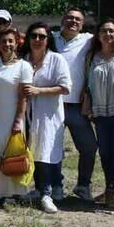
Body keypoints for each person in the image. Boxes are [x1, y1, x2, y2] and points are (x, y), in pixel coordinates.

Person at [21, 22, 71, 214]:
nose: (37, 40)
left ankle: (46, 194)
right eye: (34, 36)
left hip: (49, 115)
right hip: (28, 114)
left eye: (42, 36)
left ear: (48, 40)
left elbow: (66, 87)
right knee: (32, 152)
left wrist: (38, 90)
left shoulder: (57, 60)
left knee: (46, 152)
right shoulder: (24, 60)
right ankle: (36, 189)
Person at [83, 18, 114, 207]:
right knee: (105, 152)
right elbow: (87, 83)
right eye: (104, 31)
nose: (108, 35)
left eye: (112, 31)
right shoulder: (91, 56)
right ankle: (110, 187)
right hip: (99, 112)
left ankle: (111, 190)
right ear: (98, 35)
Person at [0, 27, 33, 207]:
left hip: (13, 118)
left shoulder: (24, 66)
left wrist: (19, 120)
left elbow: (23, 96)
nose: (7, 44)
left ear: (17, 42)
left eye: (11, 41)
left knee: (13, 155)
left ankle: (14, 193)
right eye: (3, 41)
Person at [53, 7, 98, 200]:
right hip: (52, 104)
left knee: (89, 147)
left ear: (82, 23)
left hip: (76, 107)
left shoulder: (88, 39)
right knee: (53, 149)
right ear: (63, 19)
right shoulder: (51, 37)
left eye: (77, 19)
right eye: (70, 18)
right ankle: (55, 186)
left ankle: (83, 186)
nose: (73, 21)